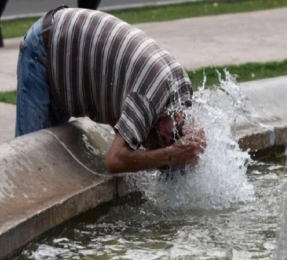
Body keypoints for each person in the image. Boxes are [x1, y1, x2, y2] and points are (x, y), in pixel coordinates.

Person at [15, 6, 206, 174]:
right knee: (30, 163)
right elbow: (114, 160)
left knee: (48, 159)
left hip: (67, 51)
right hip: (45, 47)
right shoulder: (148, 97)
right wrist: (169, 156)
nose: (147, 147)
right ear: (164, 135)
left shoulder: (182, 92)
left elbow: (196, 136)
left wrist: (195, 145)